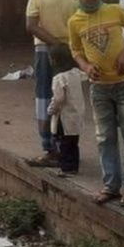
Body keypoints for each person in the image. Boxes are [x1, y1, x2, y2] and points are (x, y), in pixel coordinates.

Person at [68, 0, 124, 208]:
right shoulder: (75, 21)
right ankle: (111, 186)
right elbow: (76, 51)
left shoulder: (115, 11)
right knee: (104, 137)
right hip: (99, 88)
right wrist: (85, 66)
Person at [25, 0, 77, 167]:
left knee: (45, 98)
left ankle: (49, 148)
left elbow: (31, 25)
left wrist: (54, 43)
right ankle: (69, 149)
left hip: (46, 51)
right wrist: (66, 44)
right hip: (73, 52)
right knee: (71, 100)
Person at [46, 43, 85, 177]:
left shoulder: (59, 78)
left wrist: (50, 110)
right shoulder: (75, 73)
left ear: (54, 60)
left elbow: (58, 99)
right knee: (74, 143)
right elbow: (86, 76)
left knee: (64, 143)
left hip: (64, 117)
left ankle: (67, 169)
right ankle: (74, 166)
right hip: (77, 114)